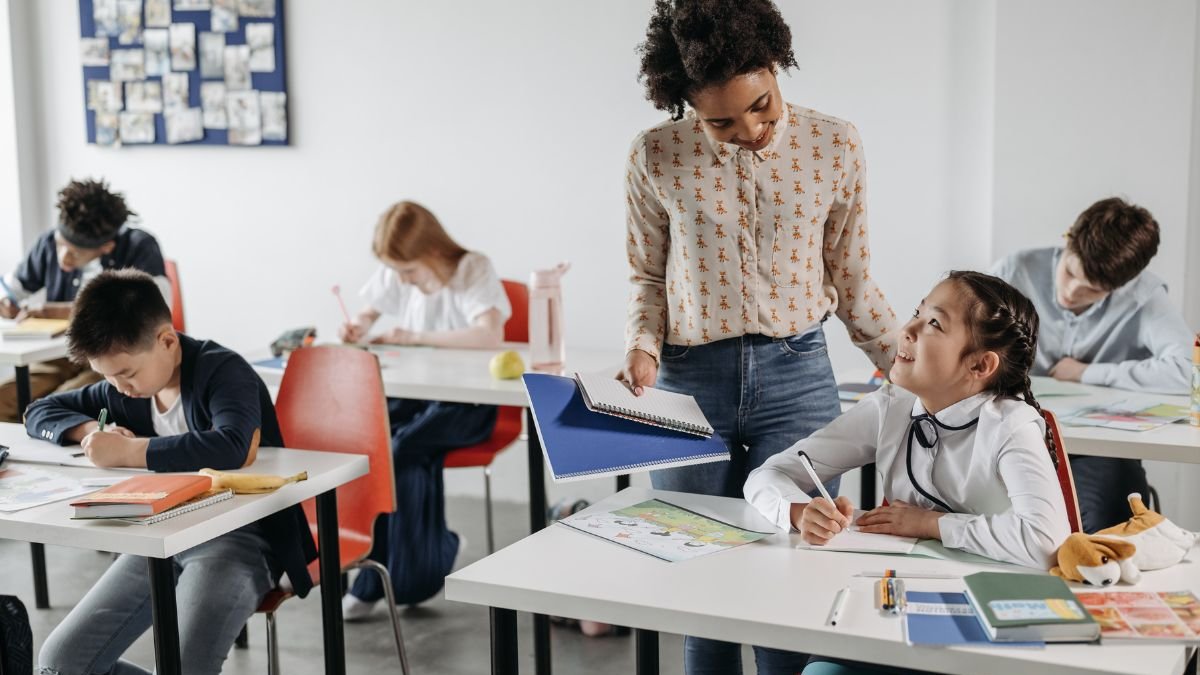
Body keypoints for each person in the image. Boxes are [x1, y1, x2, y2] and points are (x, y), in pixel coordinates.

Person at [617, 2, 898, 671]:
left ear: (776, 67)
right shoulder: (656, 154)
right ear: (688, 105)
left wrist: (912, 367)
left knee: (791, 569)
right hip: (688, 381)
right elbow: (647, 277)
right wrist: (642, 346)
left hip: (798, 374)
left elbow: (852, 278)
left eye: (762, 106)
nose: (749, 131)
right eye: (721, 122)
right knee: (701, 568)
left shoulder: (834, 144)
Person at [25, 269, 315, 674]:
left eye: (126, 374)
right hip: (159, 536)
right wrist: (89, 430)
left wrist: (131, 452)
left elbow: (232, 445)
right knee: (61, 662)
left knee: (184, 666)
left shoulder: (222, 370)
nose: (118, 387)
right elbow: (39, 410)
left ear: (167, 341)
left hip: (239, 537)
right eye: (107, 376)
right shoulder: (125, 389)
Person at [745, 271, 1071, 570]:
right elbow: (768, 475)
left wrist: (929, 524)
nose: (907, 330)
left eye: (934, 324)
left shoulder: (1010, 426)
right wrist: (798, 511)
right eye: (918, 313)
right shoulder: (890, 407)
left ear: (980, 366)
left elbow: (1045, 542)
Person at [338, 200, 511, 620]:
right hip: (417, 396)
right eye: (396, 271)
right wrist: (359, 325)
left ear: (432, 250)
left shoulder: (473, 268)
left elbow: (489, 334)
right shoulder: (399, 269)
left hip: (470, 404)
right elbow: (369, 310)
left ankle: (383, 579)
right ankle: (426, 555)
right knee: (369, 443)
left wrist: (414, 336)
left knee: (404, 449)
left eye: (409, 271)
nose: (402, 280)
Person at [991, 197, 1194, 531]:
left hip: (1098, 451)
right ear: (1068, 238)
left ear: (1121, 286)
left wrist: (1087, 373)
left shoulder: (1144, 296)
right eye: (1070, 272)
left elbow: (1189, 370)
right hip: (1011, 435)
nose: (1072, 292)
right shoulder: (1015, 271)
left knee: (1111, 514)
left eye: (1092, 291)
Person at [0, 178, 170, 422]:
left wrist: (56, 311)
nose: (64, 257)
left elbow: (154, 309)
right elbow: (12, 286)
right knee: (4, 398)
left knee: (54, 407)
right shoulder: (47, 243)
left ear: (106, 247)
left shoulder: (139, 246)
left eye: (75, 252)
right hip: (61, 355)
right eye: (61, 245)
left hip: (113, 358)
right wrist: (6, 300)